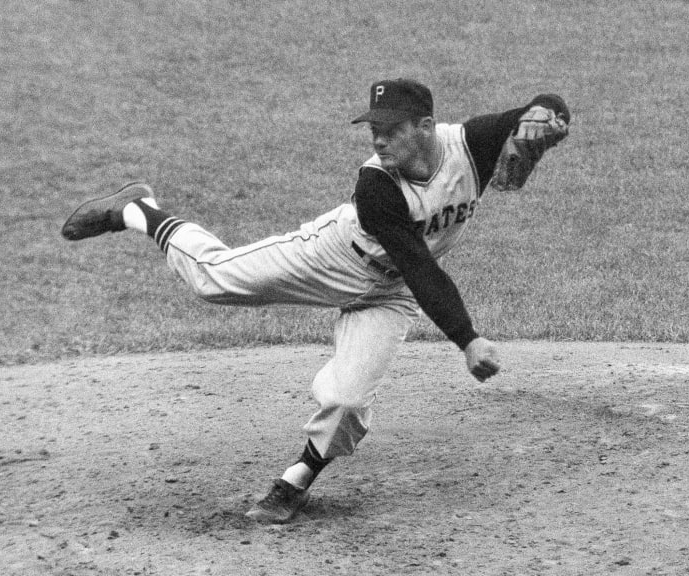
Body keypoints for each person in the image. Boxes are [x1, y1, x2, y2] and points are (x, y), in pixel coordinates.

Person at [62, 78, 570, 523]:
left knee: (347, 401)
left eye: (390, 128)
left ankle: (294, 481)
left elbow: (545, 106)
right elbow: (419, 265)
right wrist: (467, 338)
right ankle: (138, 210)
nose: (377, 138)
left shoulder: (474, 143)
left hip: (388, 295)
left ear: (426, 125)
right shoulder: (376, 184)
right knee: (212, 280)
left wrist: (542, 128)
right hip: (334, 257)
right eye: (373, 127)